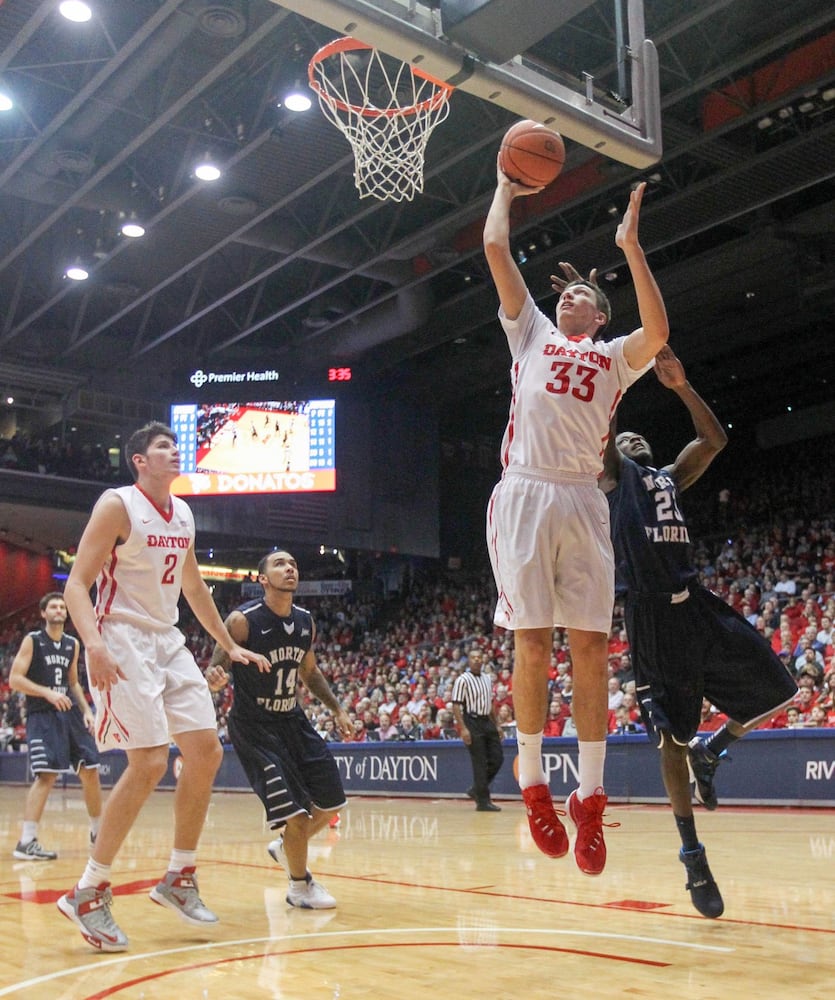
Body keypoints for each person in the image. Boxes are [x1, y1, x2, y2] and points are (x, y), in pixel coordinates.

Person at [482, 165, 669, 875]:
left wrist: (630, 245)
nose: (573, 300)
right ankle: (532, 784)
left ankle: (588, 801)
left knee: (589, 652)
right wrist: (505, 188)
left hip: (583, 497)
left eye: (586, 298)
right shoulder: (527, 332)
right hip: (525, 492)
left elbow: (658, 327)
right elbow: (497, 250)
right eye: (568, 293)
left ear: (597, 317)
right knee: (531, 646)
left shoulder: (613, 359)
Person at [57, 422, 270, 952]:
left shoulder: (186, 513)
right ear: (139, 461)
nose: (175, 453)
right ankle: (87, 891)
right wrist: (94, 645)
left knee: (205, 751)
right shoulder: (117, 505)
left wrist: (228, 642)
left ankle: (178, 876)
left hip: (166, 638)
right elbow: (78, 584)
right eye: (163, 448)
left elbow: (193, 585)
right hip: (119, 637)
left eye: (176, 447)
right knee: (149, 761)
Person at [600, 346, 798, 917]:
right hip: (652, 615)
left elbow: (714, 442)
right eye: (624, 437)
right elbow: (606, 430)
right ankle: (692, 854)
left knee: (780, 691)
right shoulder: (615, 481)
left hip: (698, 607)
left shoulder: (665, 478)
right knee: (669, 738)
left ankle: (714, 750)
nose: (633, 439)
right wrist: (612, 366)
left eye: (641, 437)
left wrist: (682, 387)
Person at [207, 549, 353, 910]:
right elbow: (216, 667)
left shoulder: (305, 621)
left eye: (293, 563)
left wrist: (336, 708)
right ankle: (299, 885)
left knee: (333, 801)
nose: (290, 568)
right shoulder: (242, 621)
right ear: (262, 579)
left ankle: (288, 845)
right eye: (280, 564)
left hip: (292, 719)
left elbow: (309, 672)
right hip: (254, 726)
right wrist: (215, 679)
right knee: (297, 816)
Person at [9, 592, 102, 861]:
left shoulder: (72, 644)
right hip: (43, 714)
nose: (59, 610)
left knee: (91, 770)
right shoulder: (33, 641)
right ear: (43, 613)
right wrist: (48, 693)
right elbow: (15, 679)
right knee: (46, 776)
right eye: (53, 606)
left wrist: (87, 711)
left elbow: (73, 683)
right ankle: (26, 841)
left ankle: (98, 832)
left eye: (62, 606)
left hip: (70, 713)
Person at [451, 647, 504, 811]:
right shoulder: (463, 679)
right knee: (479, 762)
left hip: (487, 721)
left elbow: (491, 704)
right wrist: (463, 728)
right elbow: (456, 705)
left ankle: (476, 789)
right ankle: (483, 801)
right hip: (471, 720)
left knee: (498, 758)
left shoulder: (488, 679)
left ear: (483, 660)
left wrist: (497, 725)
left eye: (479, 657)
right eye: (473, 657)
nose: (477, 660)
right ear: (469, 660)